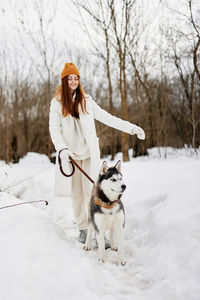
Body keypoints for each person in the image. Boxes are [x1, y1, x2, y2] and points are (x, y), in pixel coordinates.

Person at [49, 62, 145, 244]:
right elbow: (54, 130)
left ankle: (98, 230)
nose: (73, 81)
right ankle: (83, 229)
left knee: (92, 192)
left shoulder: (87, 101)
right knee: (77, 195)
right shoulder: (57, 104)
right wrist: (61, 149)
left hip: (88, 155)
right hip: (70, 158)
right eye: (70, 78)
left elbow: (108, 118)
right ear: (64, 80)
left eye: (76, 78)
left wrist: (132, 128)